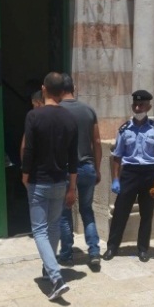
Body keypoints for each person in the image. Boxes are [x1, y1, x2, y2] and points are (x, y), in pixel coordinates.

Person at [103, 89, 154, 263]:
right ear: (132, 106)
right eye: (135, 105)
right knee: (120, 212)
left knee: (147, 213)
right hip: (129, 173)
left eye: (142, 105)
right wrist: (115, 179)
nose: (138, 108)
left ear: (149, 106)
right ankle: (112, 247)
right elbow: (117, 156)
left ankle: (143, 249)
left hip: (149, 173)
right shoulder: (124, 129)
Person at [21, 72, 78, 301]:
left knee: (39, 231)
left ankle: (56, 277)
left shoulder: (34, 116)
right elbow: (73, 157)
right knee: (53, 227)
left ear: (44, 89)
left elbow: (29, 150)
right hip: (59, 181)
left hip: (39, 180)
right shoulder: (69, 118)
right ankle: (49, 269)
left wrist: (25, 175)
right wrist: (71, 186)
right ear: (63, 91)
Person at [58, 73, 102, 269]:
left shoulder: (56, 111)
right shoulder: (88, 110)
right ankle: (93, 251)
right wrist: (98, 168)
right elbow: (97, 142)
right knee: (86, 210)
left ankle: (67, 254)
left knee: (64, 213)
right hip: (87, 168)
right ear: (74, 88)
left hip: (65, 170)